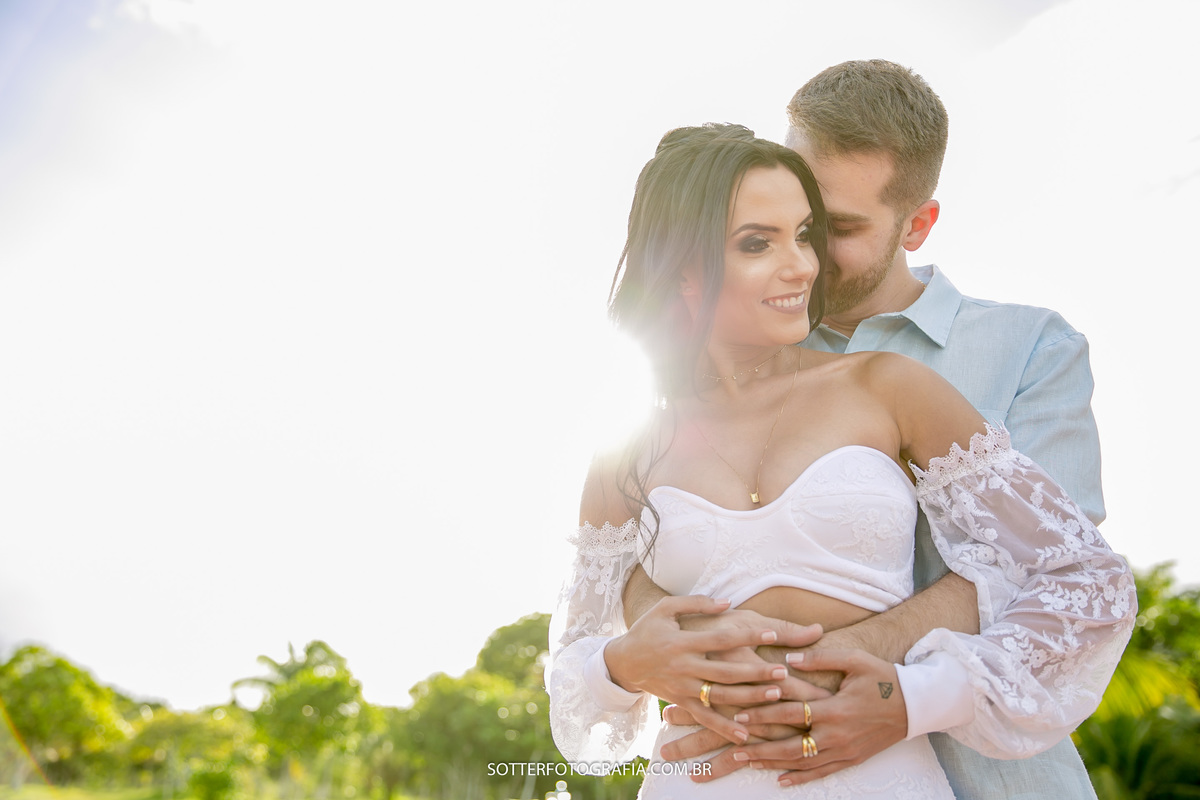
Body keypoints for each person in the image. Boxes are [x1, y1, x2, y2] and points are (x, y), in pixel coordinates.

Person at [546, 123, 1133, 799]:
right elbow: (575, 675)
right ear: (681, 269)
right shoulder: (626, 453)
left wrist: (912, 697)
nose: (803, 265)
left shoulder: (885, 386)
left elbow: (1085, 578)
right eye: (758, 243)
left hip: (885, 775)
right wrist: (622, 663)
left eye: (805, 234)